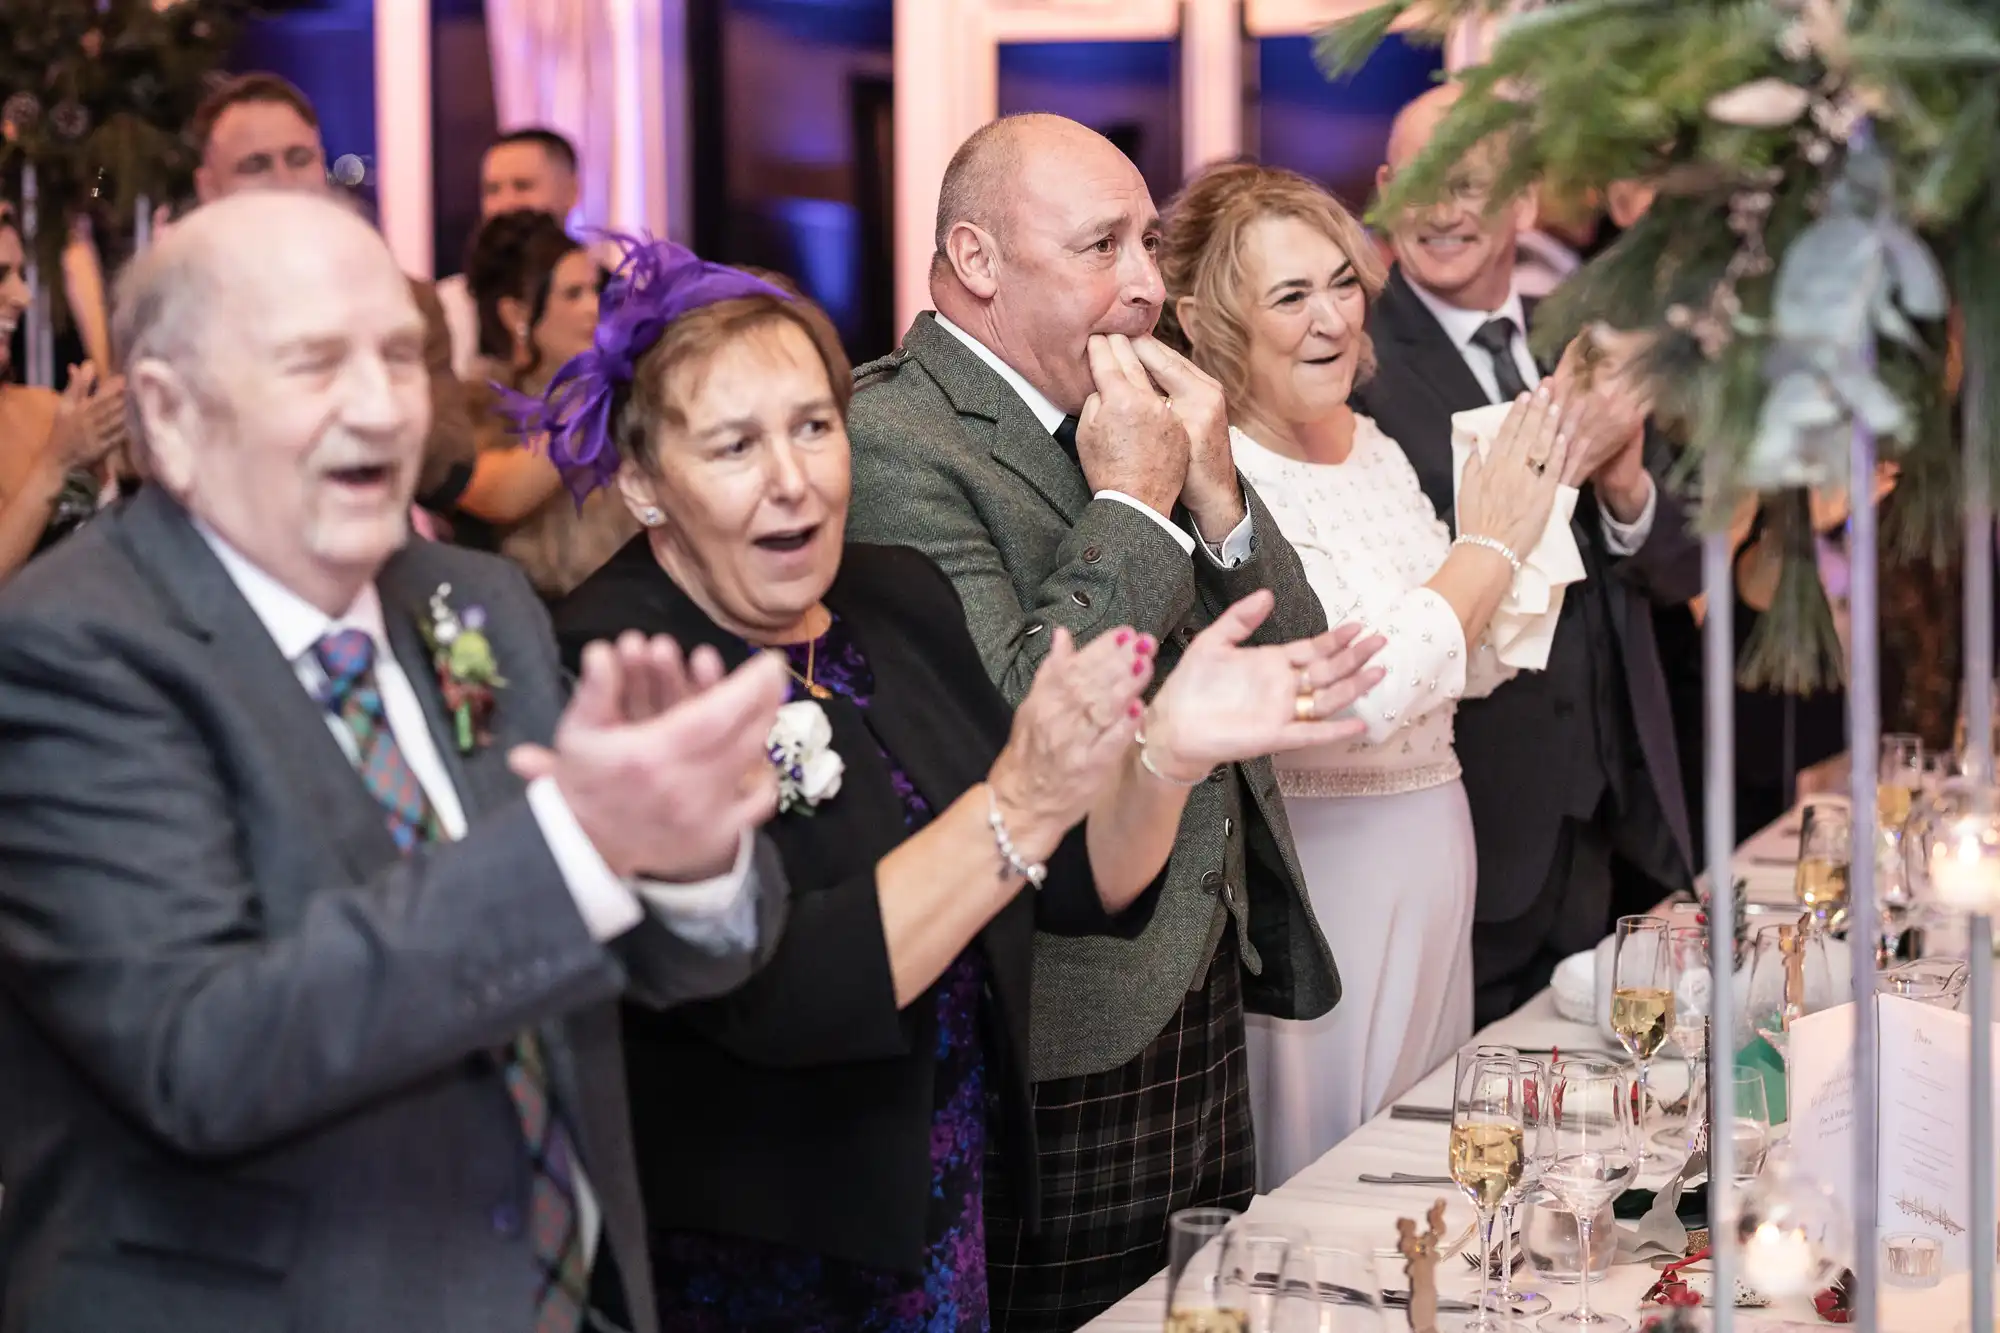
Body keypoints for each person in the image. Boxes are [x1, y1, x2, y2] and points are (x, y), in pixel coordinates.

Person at [528, 236, 1380, 1331]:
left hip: (951, 1211)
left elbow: (1073, 883)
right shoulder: (606, 668)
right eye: (734, 445)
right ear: (642, 480)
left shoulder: (892, 596)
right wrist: (1019, 806)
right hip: (754, 1252)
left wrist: (1166, 752)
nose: (792, 478)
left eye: (814, 427)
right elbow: (778, 991)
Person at [0, 191, 791, 1333]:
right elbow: (200, 1052)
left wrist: (686, 850)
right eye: (316, 365)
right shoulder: (69, 649)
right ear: (167, 415)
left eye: (400, 357)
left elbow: (668, 957)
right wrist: (580, 842)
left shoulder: (473, 600)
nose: (380, 408)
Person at [846, 113, 1387, 1330]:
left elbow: (1297, 664)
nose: (1147, 287)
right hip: (1062, 1027)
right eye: (1101, 249)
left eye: (1147, 244)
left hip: (1196, 986)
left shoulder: (1127, 405)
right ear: (976, 261)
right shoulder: (890, 439)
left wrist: (1212, 485)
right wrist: (1136, 504)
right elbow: (1017, 722)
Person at [1158, 161, 1580, 1182]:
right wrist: (1486, 547)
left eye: (1342, 283)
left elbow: (1465, 670)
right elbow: (1352, 693)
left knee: (1424, 1164)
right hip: (1320, 870)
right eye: (1289, 296)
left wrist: (1511, 534)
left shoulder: (1380, 448)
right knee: (1324, 1170)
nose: (1331, 319)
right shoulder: (1223, 485)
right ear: (1211, 320)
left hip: (1437, 842)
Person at [1353, 83, 1702, 1025]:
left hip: (1614, 826)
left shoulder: (1578, 337)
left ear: (1523, 201)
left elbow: (1682, 569)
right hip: (1479, 825)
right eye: (1417, 181)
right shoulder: (1356, 363)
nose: (1439, 207)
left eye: (1469, 181)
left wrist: (1626, 479)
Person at [191, 72, 481, 525]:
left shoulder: (403, 300)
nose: (283, 181)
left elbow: (452, 467)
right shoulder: (179, 310)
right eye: (255, 165)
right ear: (208, 188)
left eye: (299, 158)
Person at [458, 209, 636, 597]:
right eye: (573, 294)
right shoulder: (477, 404)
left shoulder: (627, 389)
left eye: (594, 290)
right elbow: (507, 493)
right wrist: (594, 390)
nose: (594, 307)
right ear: (516, 314)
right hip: (532, 616)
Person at [0, 212, 127, 580]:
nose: (23, 297)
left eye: (21, 276)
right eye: (0, 275)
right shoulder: (58, 437)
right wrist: (55, 465)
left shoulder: (46, 410)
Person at [439, 129, 600, 377]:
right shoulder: (451, 305)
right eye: (492, 190)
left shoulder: (617, 296)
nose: (506, 204)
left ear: (572, 191)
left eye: (523, 186)